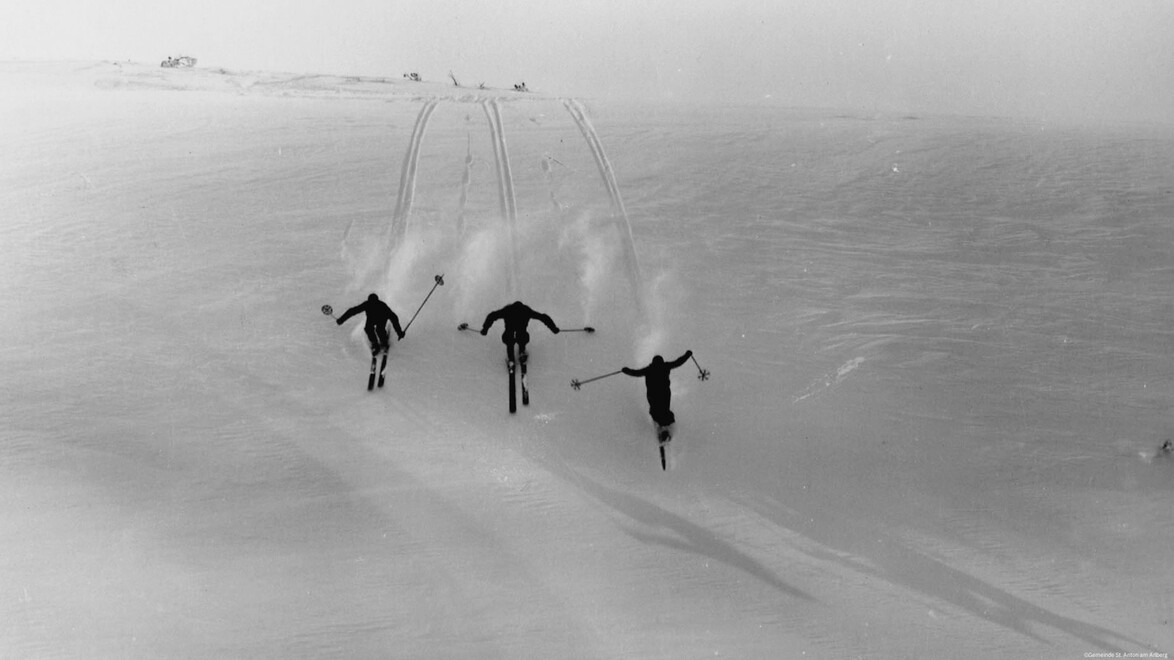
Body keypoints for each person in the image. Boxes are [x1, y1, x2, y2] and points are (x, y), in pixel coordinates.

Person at [623, 350, 693, 440]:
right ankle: (666, 429)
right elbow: (678, 362)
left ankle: (660, 428)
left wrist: (626, 371)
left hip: (653, 394)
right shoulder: (665, 366)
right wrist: (687, 355)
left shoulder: (648, 369)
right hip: (664, 393)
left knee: (655, 410)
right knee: (664, 409)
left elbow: (635, 373)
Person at [480, 300, 559, 355]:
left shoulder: (507, 310)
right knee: (522, 337)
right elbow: (542, 317)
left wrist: (485, 329)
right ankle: (522, 351)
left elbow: (492, 316)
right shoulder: (526, 310)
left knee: (509, 340)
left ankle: (511, 357)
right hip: (521, 332)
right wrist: (553, 328)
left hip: (509, 331)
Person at [337, 293, 405, 354]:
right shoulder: (368, 304)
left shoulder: (381, 306)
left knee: (379, 329)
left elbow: (393, 318)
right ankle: (375, 344)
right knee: (369, 328)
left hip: (381, 318)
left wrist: (399, 332)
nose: (373, 304)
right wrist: (342, 319)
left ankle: (383, 342)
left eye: (374, 303)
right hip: (372, 319)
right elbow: (353, 311)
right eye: (372, 303)